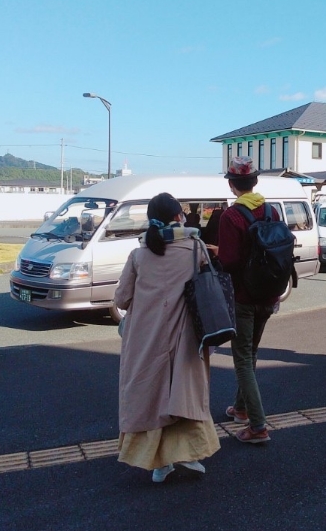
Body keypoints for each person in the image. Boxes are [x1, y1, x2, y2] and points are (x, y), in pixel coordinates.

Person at [114, 192, 220, 483]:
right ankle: (191, 455)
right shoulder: (194, 248)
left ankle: (158, 463)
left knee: (150, 397)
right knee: (185, 394)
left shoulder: (138, 254)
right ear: (178, 217)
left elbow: (122, 300)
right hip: (184, 337)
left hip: (144, 339)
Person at [215, 156, 278, 444]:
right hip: (269, 293)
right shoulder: (271, 211)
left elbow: (229, 261)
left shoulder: (232, 216)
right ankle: (241, 409)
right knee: (250, 352)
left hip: (242, 296)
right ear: (255, 181)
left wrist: (213, 250)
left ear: (231, 184)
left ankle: (258, 426)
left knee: (242, 359)